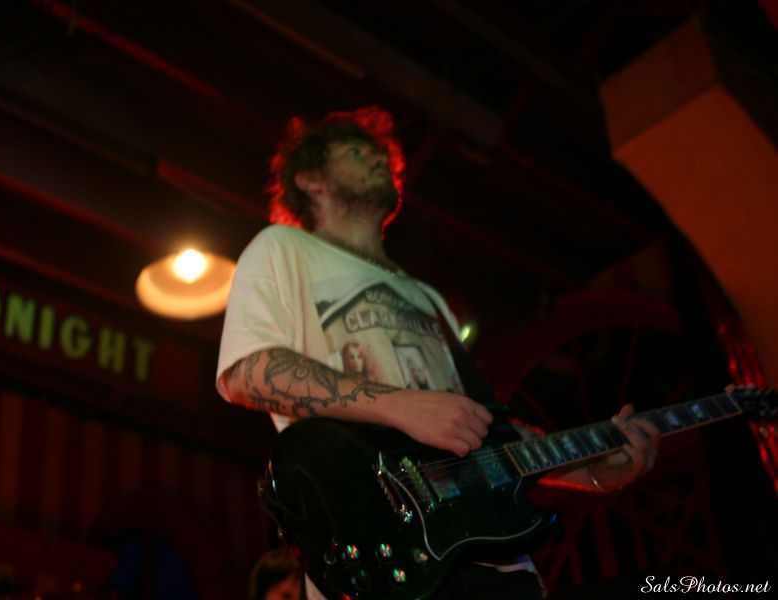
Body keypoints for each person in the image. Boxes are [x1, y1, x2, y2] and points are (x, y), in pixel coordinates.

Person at [216, 107, 660, 599]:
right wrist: (399, 405)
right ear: (310, 180)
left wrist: (591, 470)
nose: (377, 158)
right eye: (356, 151)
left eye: (381, 154)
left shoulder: (427, 298)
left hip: (497, 565)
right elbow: (247, 372)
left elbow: (488, 432)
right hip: (383, 562)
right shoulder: (282, 248)